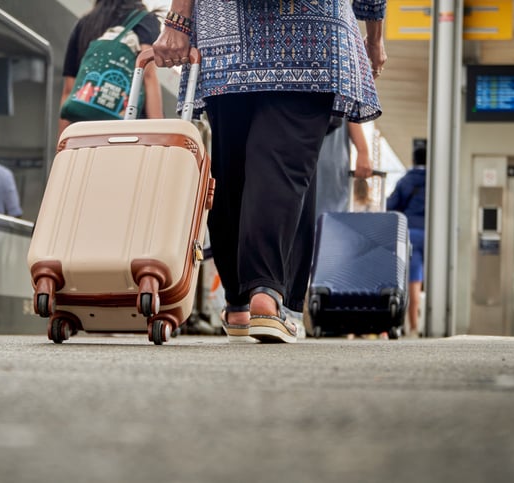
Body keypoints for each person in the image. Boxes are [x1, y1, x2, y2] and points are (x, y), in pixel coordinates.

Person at [153, 0, 387, 343]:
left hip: (225, 34)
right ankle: (266, 295)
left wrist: (177, 21)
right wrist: (374, 36)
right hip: (314, 31)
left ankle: (238, 304)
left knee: (232, 169)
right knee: (283, 168)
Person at [58, 0, 163, 136]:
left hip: (86, 131)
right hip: (128, 131)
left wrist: (62, 145)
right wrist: (159, 134)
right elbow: (148, 76)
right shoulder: (144, 20)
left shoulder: (84, 23)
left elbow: (69, 89)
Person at [387, 143, 426, 338]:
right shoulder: (438, 179)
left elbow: (391, 206)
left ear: (413, 160)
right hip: (435, 236)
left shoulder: (406, 181)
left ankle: (413, 326)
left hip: (412, 234)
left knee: (413, 280)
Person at [316, 119, 374, 215]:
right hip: (328, 159)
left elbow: (351, 110)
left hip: (331, 160)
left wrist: (363, 152)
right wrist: (363, 152)